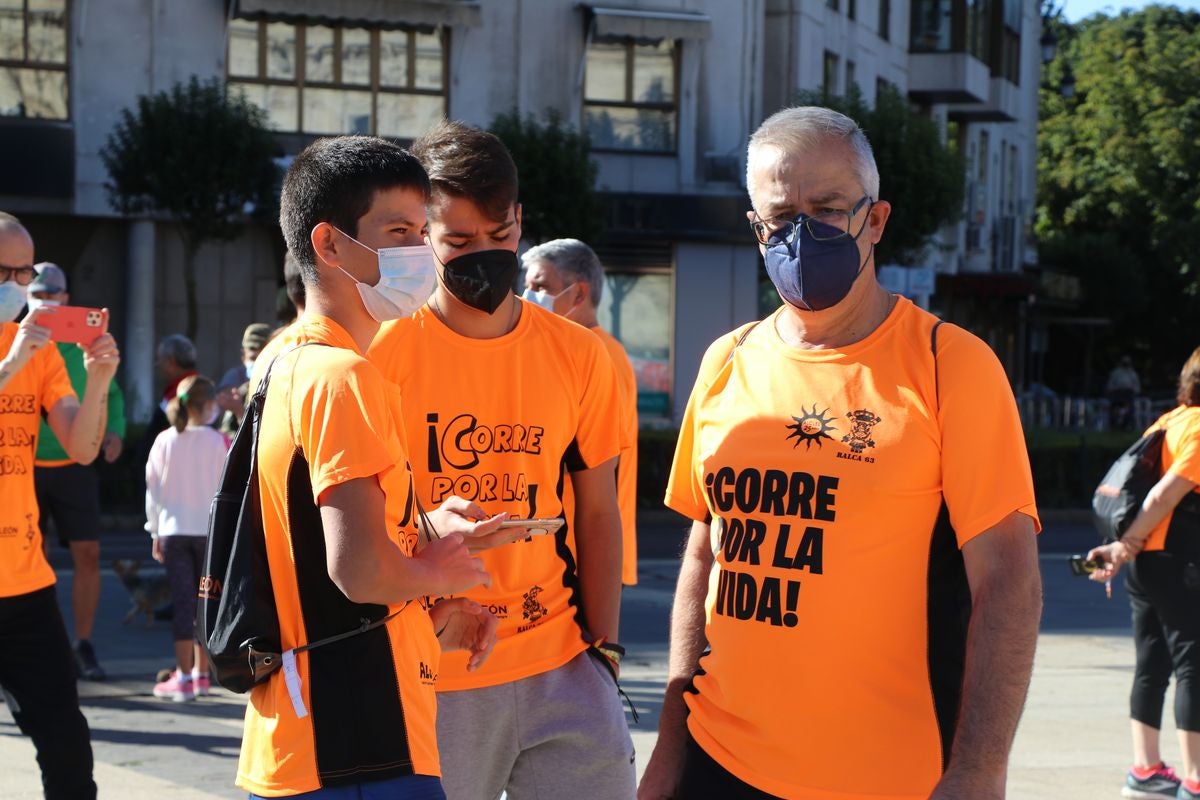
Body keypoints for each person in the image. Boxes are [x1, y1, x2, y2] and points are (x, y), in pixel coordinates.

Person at [637, 107, 1042, 800]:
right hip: (719, 759)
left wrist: (979, 771)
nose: (802, 234)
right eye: (780, 216)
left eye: (827, 209)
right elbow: (705, 557)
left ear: (875, 220)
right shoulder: (726, 360)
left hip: (889, 776)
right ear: (757, 229)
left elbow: (1008, 582)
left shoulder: (950, 365)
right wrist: (670, 748)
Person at [368, 120, 633, 800]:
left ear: (520, 218)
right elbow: (350, 529)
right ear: (419, 235)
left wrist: (603, 653)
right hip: (435, 673)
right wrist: (428, 528)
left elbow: (599, 511)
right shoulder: (377, 354)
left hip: (563, 666)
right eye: (458, 242)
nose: (485, 255)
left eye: (502, 234)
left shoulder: (581, 355)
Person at [238, 134, 509, 799]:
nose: (419, 252)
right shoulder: (342, 376)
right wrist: (440, 570)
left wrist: (425, 552)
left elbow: (312, 554)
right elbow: (358, 570)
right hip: (358, 742)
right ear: (328, 245)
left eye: (421, 232)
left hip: (305, 730)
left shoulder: (283, 360)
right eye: (397, 233)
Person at [0, 211, 121, 799]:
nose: (17, 286)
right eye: (4, 272)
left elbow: (81, 446)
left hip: (24, 583)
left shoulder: (42, 349)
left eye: (24, 273)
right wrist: (10, 366)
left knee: (66, 745)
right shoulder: (25, 350)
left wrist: (98, 380)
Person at [1088, 345, 1200, 800]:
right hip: (1180, 559)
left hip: (1146, 565)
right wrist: (1126, 543)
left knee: (1152, 664)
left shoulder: (1169, 421)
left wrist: (1126, 548)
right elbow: (1161, 497)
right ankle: (1195, 778)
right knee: (1193, 664)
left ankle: (1146, 768)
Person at [28, 262, 126, 681]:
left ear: (66, 299)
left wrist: (115, 431)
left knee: (88, 554)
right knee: (31, 559)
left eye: (53, 294)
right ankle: (35, 646)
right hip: (25, 466)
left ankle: (82, 644)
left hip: (75, 464)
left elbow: (112, 394)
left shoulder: (85, 344)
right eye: (38, 294)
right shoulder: (17, 340)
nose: (46, 300)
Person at [522, 238, 640, 586]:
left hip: (580, 553)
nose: (528, 296)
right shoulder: (573, 349)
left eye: (540, 286)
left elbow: (599, 461)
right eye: (527, 286)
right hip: (572, 548)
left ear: (578, 293)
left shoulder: (598, 353)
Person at [144, 374, 227, 702]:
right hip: (209, 533)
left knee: (182, 604)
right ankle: (203, 674)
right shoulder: (219, 441)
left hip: (173, 531)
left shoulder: (164, 440)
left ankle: (184, 677)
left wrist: (154, 530)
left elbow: (153, 489)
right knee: (206, 604)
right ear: (208, 405)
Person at [1108, 355, 1143, 431]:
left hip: (1128, 394)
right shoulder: (1116, 372)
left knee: (1130, 410)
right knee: (1113, 409)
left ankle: (1125, 426)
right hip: (1117, 393)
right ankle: (1113, 426)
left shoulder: (1132, 373)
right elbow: (1111, 384)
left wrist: (1135, 392)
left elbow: (1136, 386)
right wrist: (1111, 392)